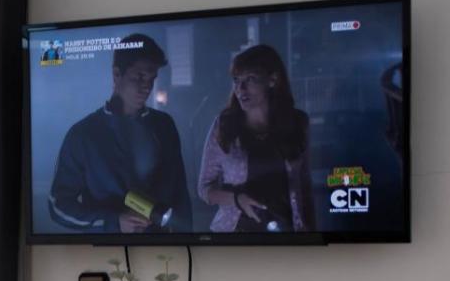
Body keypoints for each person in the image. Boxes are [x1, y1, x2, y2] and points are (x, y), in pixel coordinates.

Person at [48, 33, 192, 234]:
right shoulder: (83, 134)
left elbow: (180, 196)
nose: (147, 87)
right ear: (117, 74)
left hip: (162, 246)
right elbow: (58, 206)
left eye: (151, 79)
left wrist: (185, 241)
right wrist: (112, 221)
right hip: (109, 247)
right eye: (139, 77)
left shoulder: (163, 126)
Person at [198, 44, 315, 233]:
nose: (240, 88)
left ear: (272, 80)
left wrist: (311, 235)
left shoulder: (298, 122)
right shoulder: (224, 125)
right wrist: (237, 199)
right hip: (236, 236)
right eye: (236, 80)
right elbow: (205, 188)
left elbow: (304, 185)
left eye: (250, 79)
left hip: (287, 235)